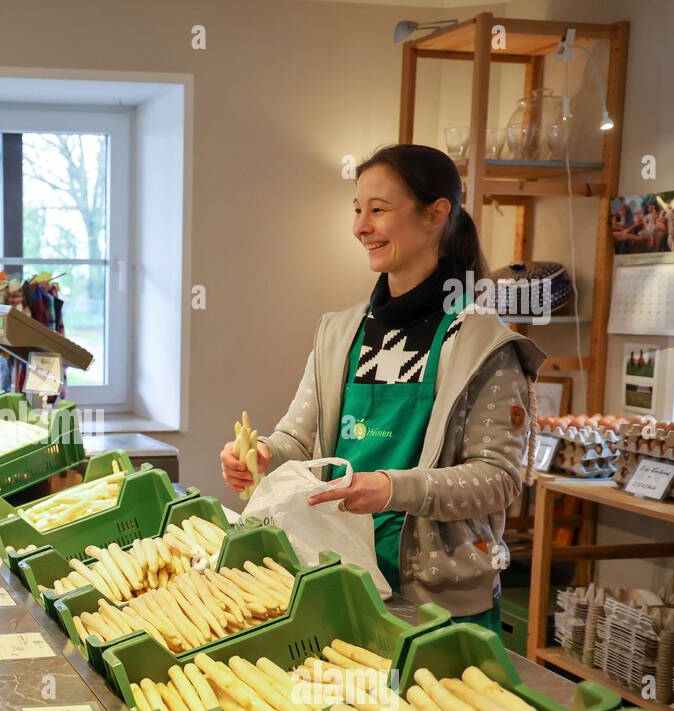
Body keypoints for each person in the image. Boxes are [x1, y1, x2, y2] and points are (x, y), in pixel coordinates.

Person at [221, 144, 544, 632]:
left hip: (440, 597)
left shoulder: (482, 343)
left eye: (378, 210)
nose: (360, 227)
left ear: (435, 214)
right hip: (342, 574)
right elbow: (297, 440)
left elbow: (499, 479)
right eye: (357, 210)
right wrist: (263, 456)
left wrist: (392, 489)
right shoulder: (341, 332)